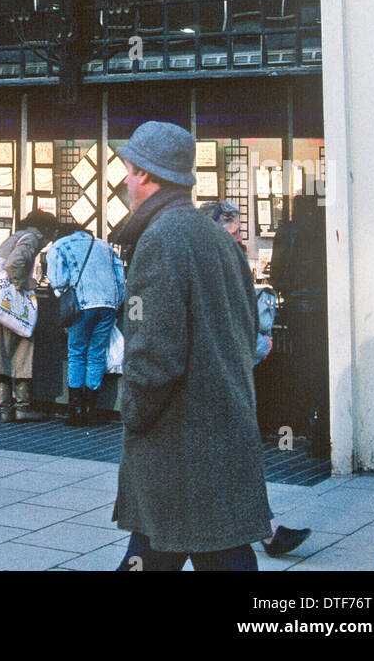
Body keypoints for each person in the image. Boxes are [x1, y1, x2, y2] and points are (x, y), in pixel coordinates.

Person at [113, 122, 271, 571]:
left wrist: (132, 411)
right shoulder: (219, 239)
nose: (125, 180)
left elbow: (153, 353)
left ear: (145, 174)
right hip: (221, 433)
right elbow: (246, 332)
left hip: (176, 442)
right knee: (197, 549)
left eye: (128, 169)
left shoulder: (160, 240)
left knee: (188, 549)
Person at [201, 198, 312, 560]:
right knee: (231, 461)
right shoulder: (220, 265)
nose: (240, 239)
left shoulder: (209, 263)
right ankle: (266, 531)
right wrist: (256, 344)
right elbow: (228, 323)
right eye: (233, 232)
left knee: (230, 462)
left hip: (219, 381)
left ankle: (266, 529)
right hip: (221, 383)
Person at [0, 209, 60, 423]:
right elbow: (14, 264)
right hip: (13, 303)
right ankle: (23, 407)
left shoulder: (14, 236)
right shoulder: (30, 239)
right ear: (45, 229)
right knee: (21, 353)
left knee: (1, 356)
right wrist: (25, 283)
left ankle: (5, 409)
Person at [46, 222, 124, 426]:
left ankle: (76, 409)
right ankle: (91, 408)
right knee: (97, 354)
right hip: (108, 306)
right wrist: (116, 304)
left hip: (82, 305)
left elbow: (58, 281)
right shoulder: (104, 246)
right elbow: (120, 278)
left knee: (76, 353)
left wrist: (61, 295)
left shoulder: (60, 246)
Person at [269, 197, 330, 458]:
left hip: (296, 308)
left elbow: (277, 274)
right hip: (324, 308)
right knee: (323, 370)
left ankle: (304, 431)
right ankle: (324, 433)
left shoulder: (286, 231)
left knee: (302, 369)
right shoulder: (324, 229)